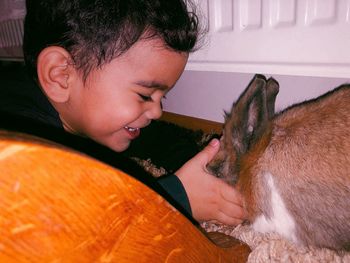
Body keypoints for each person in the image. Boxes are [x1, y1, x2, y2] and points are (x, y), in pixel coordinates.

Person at [0, 0, 244, 226]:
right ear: (61, 75)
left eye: (163, 97)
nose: (158, 112)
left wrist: (200, 164)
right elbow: (72, 225)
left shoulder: (91, 116)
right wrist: (177, 197)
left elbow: (158, 139)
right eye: (145, 95)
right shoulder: (18, 144)